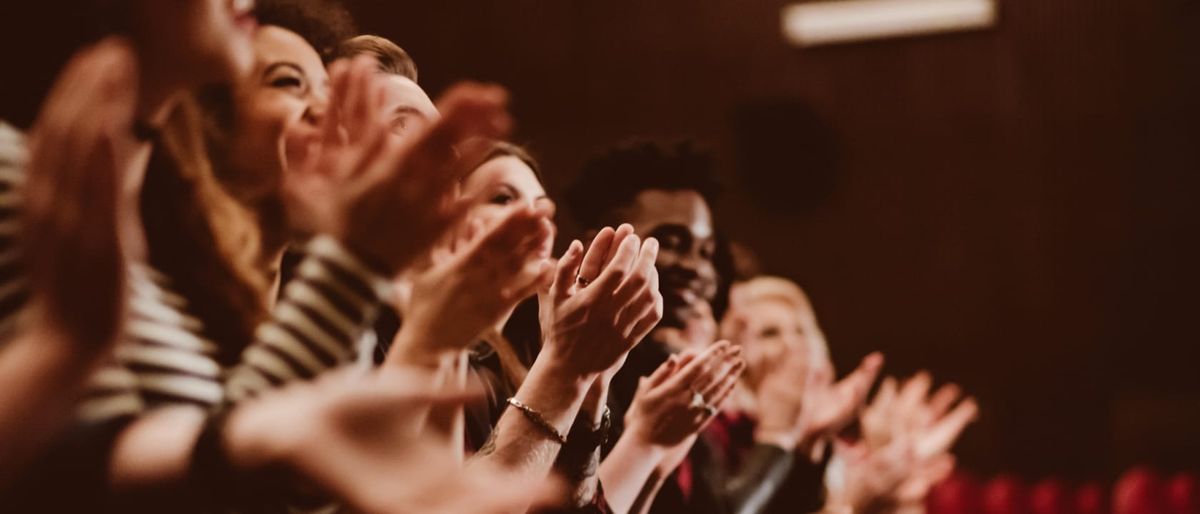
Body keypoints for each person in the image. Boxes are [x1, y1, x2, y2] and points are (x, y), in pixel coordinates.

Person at [566, 141, 884, 514]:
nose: (697, 268)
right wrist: (778, 436)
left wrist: (803, 440)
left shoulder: (664, 363)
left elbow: (714, 504)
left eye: (705, 252)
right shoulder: (582, 366)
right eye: (671, 243)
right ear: (596, 244)